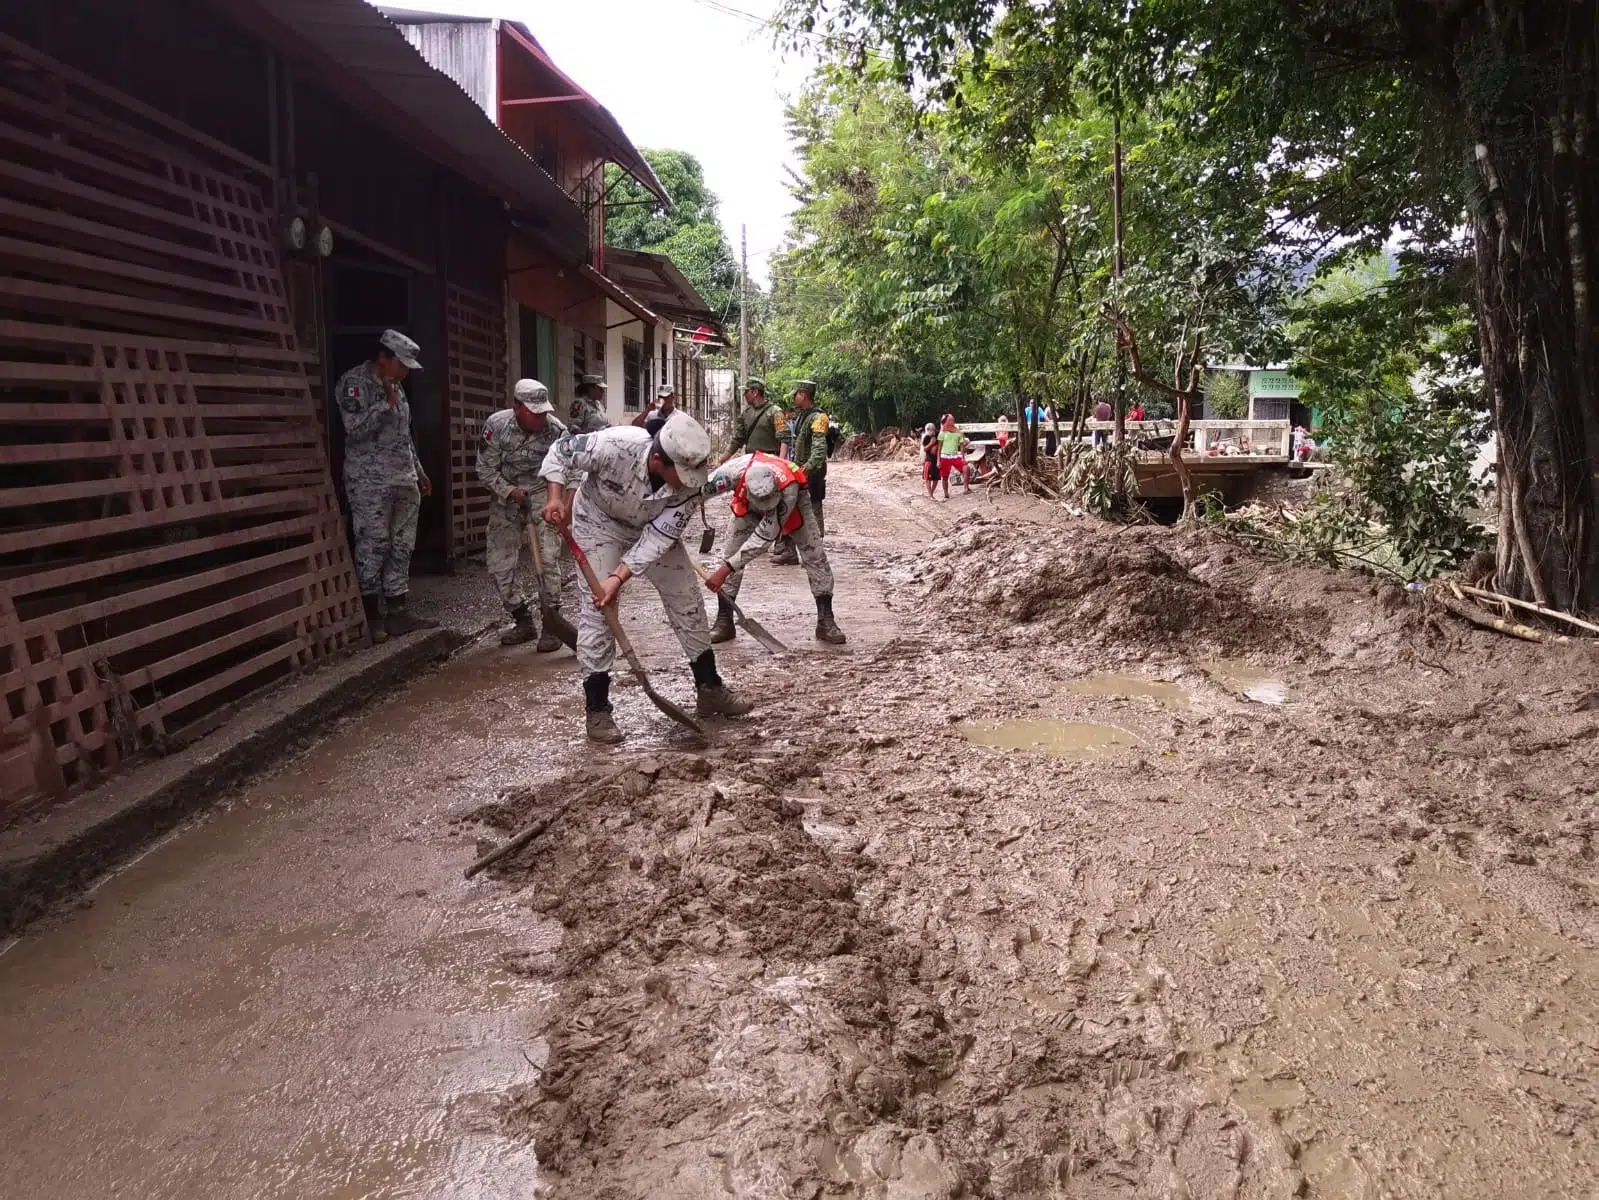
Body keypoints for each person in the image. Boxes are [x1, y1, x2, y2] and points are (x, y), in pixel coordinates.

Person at [539, 413, 752, 744]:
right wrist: (554, 496)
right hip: (598, 522)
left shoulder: (689, 487)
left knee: (687, 600)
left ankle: (709, 687)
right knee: (598, 612)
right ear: (657, 460)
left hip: (652, 529)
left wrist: (618, 577)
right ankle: (597, 709)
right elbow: (562, 450)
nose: (686, 482)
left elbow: (657, 539)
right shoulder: (615, 445)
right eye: (679, 474)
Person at [335, 329, 434, 644]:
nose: (405, 372)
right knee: (373, 542)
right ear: (383, 358)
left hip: (403, 477)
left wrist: (418, 470)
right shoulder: (354, 384)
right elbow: (353, 431)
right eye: (401, 365)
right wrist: (384, 405)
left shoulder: (397, 387)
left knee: (401, 544)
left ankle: (397, 609)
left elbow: (403, 434)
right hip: (370, 481)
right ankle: (372, 614)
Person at [702, 451, 846, 645]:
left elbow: (764, 538)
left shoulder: (789, 489)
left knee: (815, 555)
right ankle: (724, 620)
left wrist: (724, 570)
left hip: (793, 505)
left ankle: (825, 619)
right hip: (747, 506)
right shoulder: (731, 473)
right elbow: (696, 493)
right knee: (731, 552)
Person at [477, 378, 568, 650]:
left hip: (543, 494)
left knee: (549, 558)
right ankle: (522, 619)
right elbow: (484, 470)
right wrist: (509, 491)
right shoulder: (496, 426)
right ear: (517, 407)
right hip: (507, 495)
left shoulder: (556, 431)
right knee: (499, 563)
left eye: (544, 412)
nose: (541, 418)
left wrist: (560, 503)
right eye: (533, 412)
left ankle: (551, 622)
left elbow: (567, 470)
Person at [787, 380, 832, 538]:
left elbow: (819, 450)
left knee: (813, 509)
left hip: (812, 472)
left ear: (803, 395)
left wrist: (807, 468)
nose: (793, 397)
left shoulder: (819, 418)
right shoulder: (802, 416)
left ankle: (816, 545)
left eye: (796, 394)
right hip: (801, 470)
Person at [937, 415, 969, 497]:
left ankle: (966, 488)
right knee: (944, 477)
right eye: (950, 420)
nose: (952, 421)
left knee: (966, 468)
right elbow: (939, 448)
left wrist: (963, 458)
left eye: (952, 420)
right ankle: (946, 493)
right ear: (946, 422)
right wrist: (938, 460)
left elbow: (961, 446)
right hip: (944, 456)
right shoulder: (942, 433)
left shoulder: (958, 432)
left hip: (955, 455)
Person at [920, 422, 941, 497]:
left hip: (935, 460)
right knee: (927, 478)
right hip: (928, 460)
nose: (932, 432)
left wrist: (939, 460)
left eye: (933, 430)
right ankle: (930, 494)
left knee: (936, 479)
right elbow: (925, 449)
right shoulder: (926, 438)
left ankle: (931, 493)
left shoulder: (937, 436)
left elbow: (939, 449)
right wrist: (931, 443)